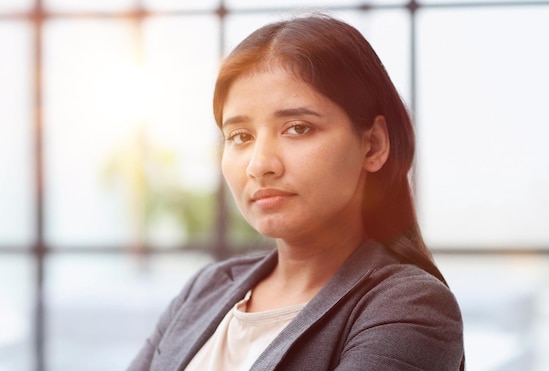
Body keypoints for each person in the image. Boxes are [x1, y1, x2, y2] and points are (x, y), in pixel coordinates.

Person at [129, 13, 464, 371]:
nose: (260, 165)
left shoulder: (407, 306)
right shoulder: (206, 289)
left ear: (373, 145)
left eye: (298, 128)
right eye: (240, 136)